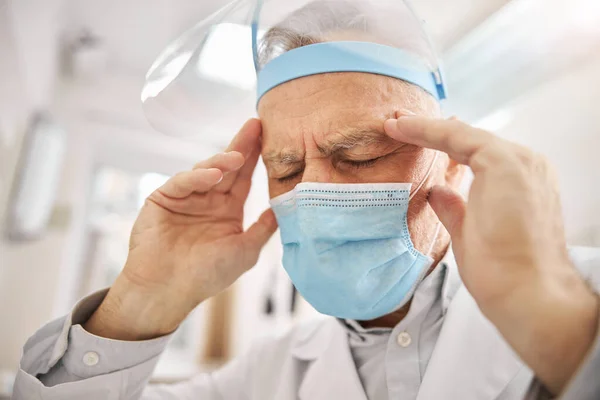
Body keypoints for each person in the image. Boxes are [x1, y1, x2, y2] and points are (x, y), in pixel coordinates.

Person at [12, 1, 600, 399]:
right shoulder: (264, 375)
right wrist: (140, 302)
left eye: (362, 155)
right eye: (286, 169)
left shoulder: (586, 295)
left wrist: (552, 320)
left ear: (451, 157)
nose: (317, 192)